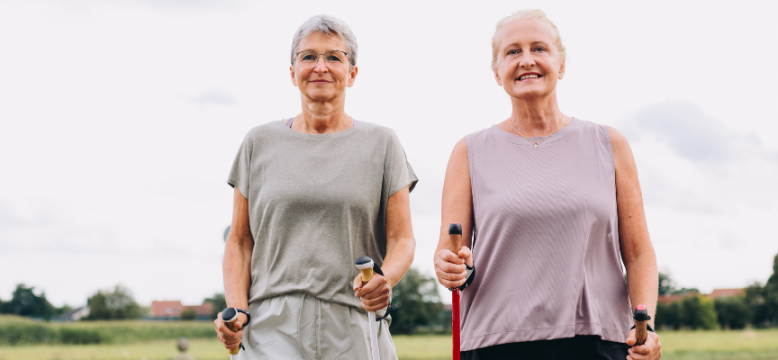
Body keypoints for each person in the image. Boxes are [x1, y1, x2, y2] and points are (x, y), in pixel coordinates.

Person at [434, 9, 662, 360]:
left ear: (562, 64)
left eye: (539, 49)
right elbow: (450, 256)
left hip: (596, 340)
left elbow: (638, 252)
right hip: (495, 343)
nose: (526, 60)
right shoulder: (468, 152)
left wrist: (642, 323)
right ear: (497, 72)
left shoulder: (609, 143)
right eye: (512, 52)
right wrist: (449, 265)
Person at [214, 14, 417, 359]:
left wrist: (386, 278)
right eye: (308, 56)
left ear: (352, 73)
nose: (320, 66)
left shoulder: (382, 143)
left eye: (334, 57)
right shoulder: (258, 142)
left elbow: (402, 239)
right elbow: (239, 240)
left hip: (354, 317)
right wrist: (238, 310)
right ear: (292, 72)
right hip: (272, 323)